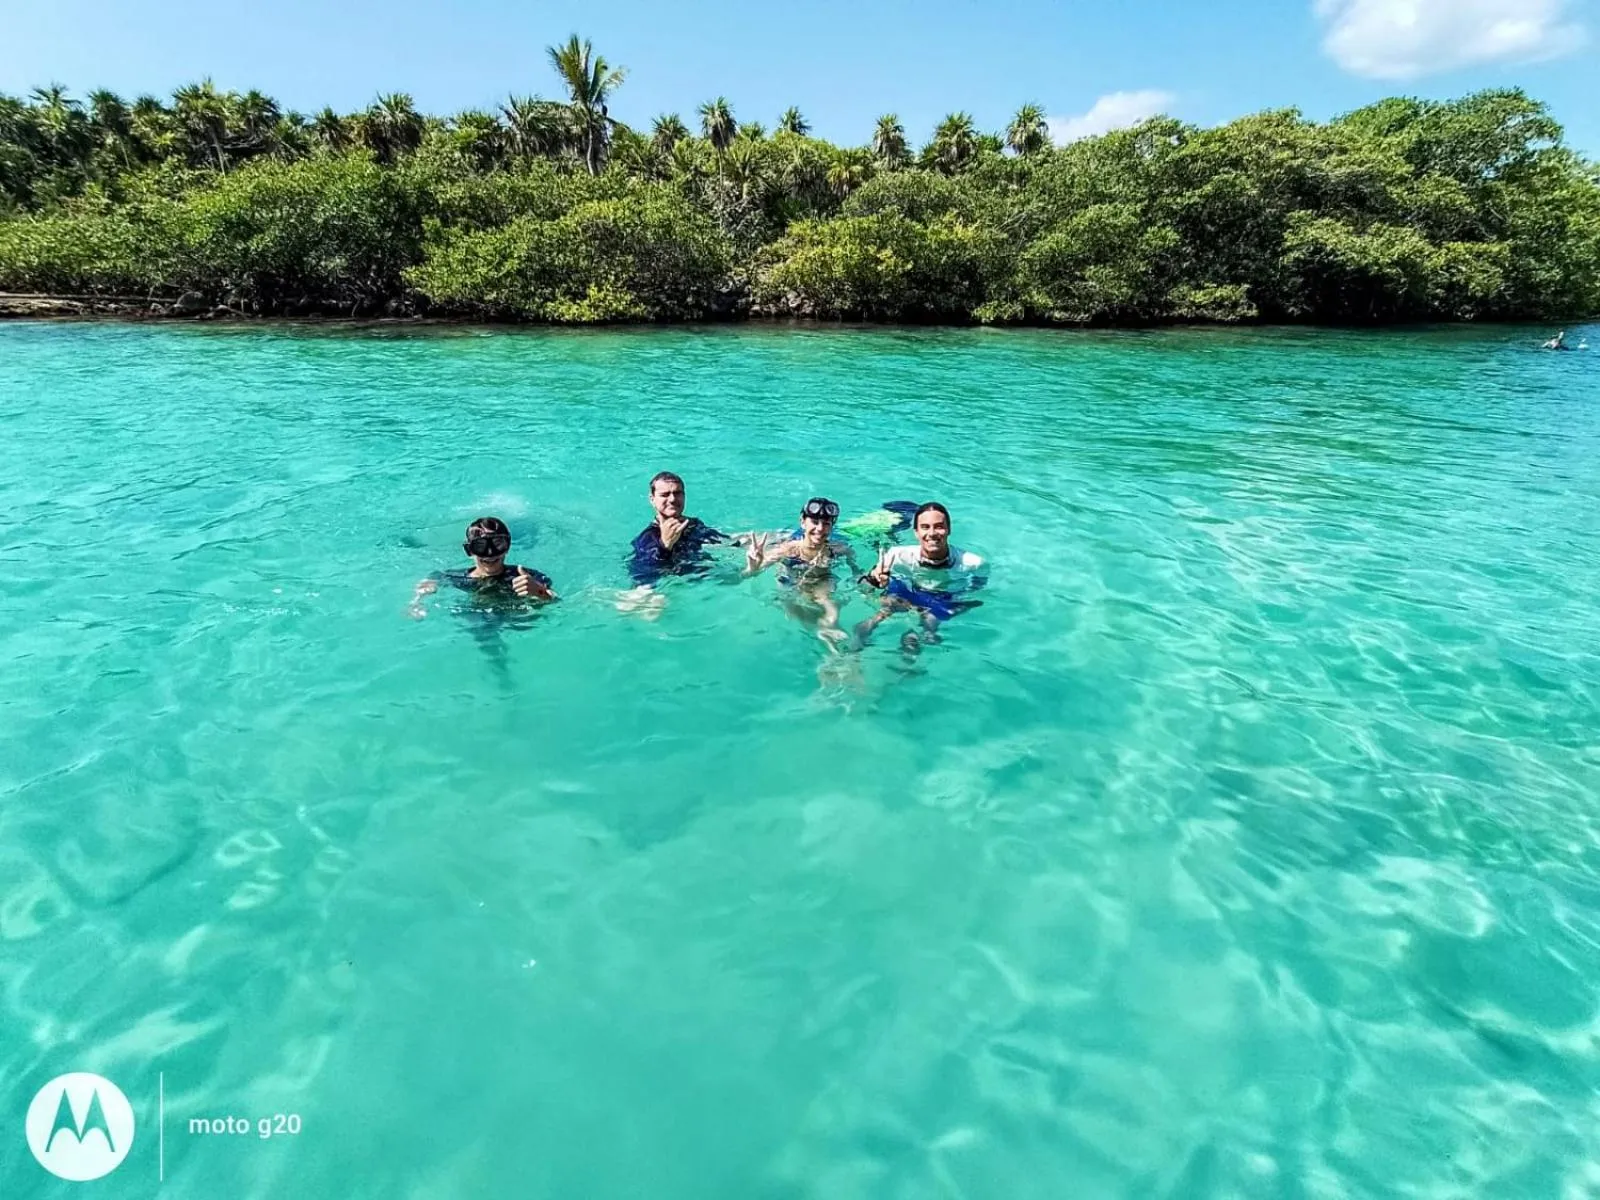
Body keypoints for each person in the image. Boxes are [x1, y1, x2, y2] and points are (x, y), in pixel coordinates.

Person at [851, 502, 986, 656]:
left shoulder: (974, 564)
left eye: (939, 526)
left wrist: (954, 606)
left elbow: (974, 594)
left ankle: (911, 652)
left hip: (942, 597)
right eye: (925, 527)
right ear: (916, 532)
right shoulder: (896, 555)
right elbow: (864, 585)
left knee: (930, 627)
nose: (932, 533)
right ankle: (851, 653)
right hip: (905, 591)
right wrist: (876, 583)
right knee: (880, 614)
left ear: (949, 529)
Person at [744, 497, 861, 645]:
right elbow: (749, 574)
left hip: (823, 578)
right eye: (815, 522)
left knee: (832, 608)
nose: (820, 529)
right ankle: (822, 632)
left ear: (832, 527)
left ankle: (831, 643)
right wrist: (753, 567)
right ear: (802, 522)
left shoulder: (840, 549)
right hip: (790, 577)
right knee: (791, 609)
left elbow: (858, 574)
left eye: (826, 524)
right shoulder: (788, 549)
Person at [409, 516, 556, 619]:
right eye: (481, 547)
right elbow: (432, 578)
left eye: (498, 544)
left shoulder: (526, 577)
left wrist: (539, 592)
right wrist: (417, 601)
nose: (490, 554)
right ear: (469, 550)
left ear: (508, 546)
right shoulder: (456, 578)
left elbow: (555, 601)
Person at [627, 472, 728, 586]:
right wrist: (664, 546)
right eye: (665, 494)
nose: (672, 499)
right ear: (652, 499)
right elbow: (643, 575)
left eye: (677, 493)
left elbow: (722, 541)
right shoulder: (647, 538)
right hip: (669, 585)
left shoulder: (694, 525)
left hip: (702, 579)